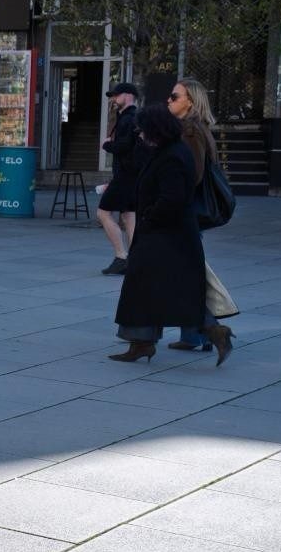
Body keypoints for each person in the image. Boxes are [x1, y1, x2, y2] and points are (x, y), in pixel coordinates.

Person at [108, 103, 229, 363]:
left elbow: (171, 198)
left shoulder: (173, 155)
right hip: (168, 235)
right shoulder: (167, 150)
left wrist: (150, 218)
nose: (140, 135)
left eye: (143, 131)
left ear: (156, 130)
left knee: (147, 287)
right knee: (168, 289)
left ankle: (145, 342)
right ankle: (146, 341)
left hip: (164, 235)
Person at [166, 76, 234, 361]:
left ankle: (212, 329)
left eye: (174, 96)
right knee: (185, 273)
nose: (168, 100)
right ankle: (194, 334)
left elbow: (190, 175)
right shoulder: (191, 128)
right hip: (185, 213)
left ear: (190, 102)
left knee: (181, 274)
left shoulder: (191, 131)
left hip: (185, 213)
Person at [96, 81, 140, 275]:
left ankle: (121, 256)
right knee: (129, 216)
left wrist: (107, 145)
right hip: (131, 174)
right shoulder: (132, 117)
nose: (113, 99)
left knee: (103, 213)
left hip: (125, 175)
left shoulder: (129, 119)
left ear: (128, 96)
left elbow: (125, 146)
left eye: (116, 95)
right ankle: (136, 259)